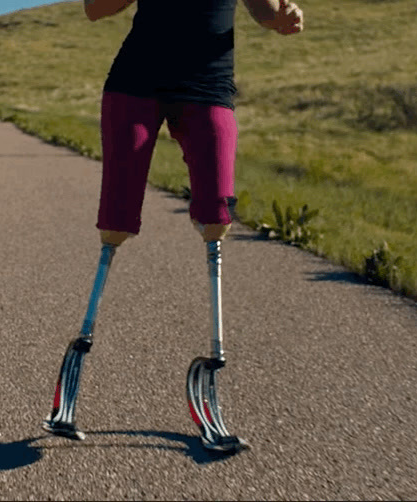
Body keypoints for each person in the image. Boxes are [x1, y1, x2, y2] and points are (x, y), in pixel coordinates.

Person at [43, 0, 303, 451]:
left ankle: (213, 369)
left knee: (216, 215)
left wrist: (285, 16)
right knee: (117, 220)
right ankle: (78, 357)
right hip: (135, 85)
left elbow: (266, 11)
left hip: (208, 88)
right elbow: (94, 8)